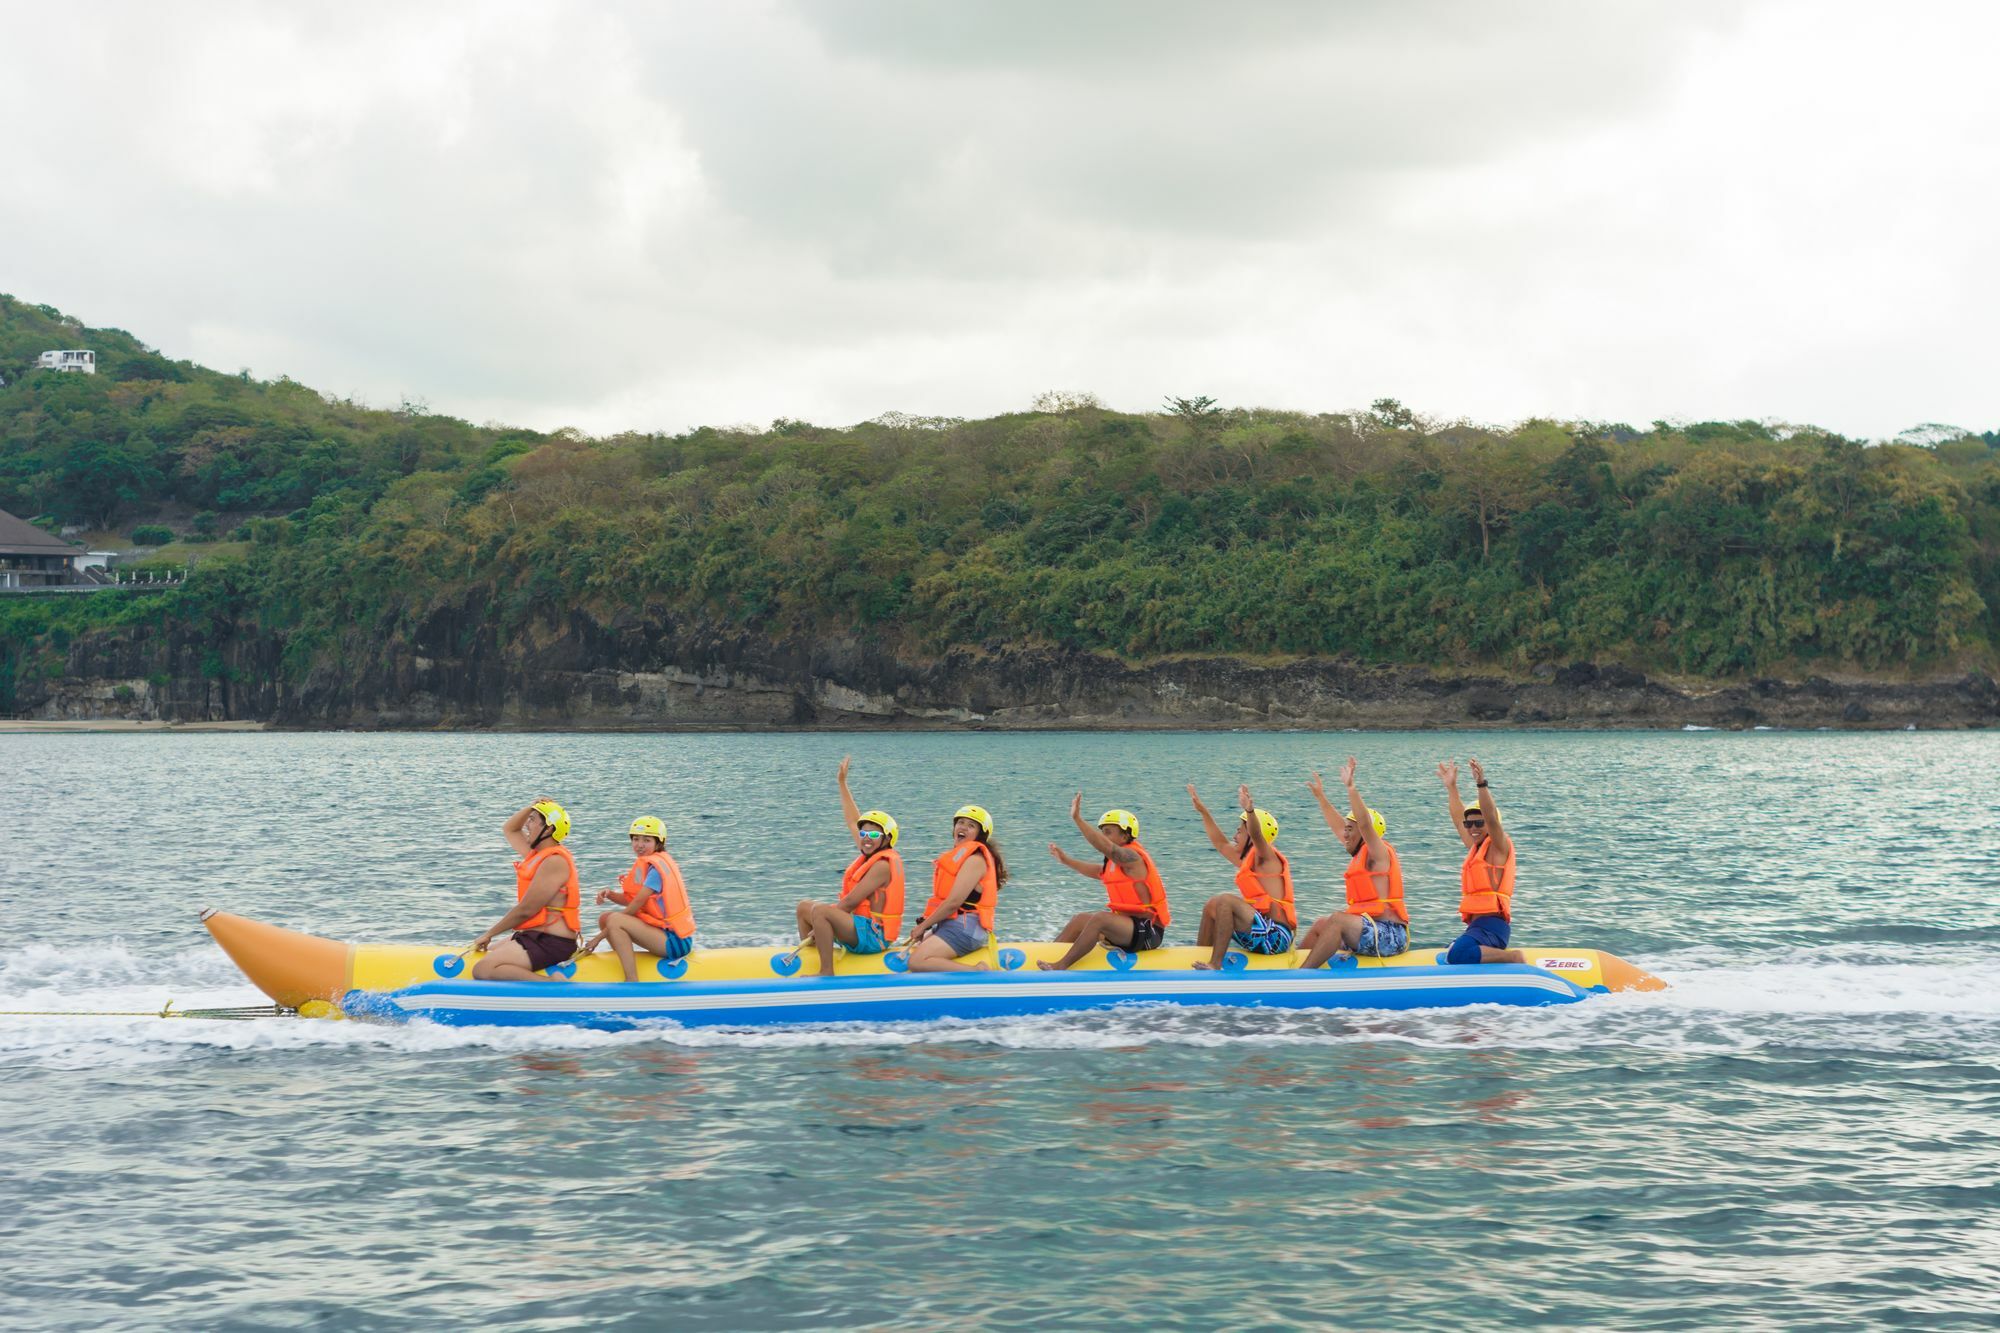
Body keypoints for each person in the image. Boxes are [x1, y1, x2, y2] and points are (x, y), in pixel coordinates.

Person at [791, 756, 906, 978]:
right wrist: (842, 783)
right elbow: (853, 821)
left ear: (887, 838)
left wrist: (822, 921)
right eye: (864, 833)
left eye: (874, 834)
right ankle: (814, 955)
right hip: (859, 928)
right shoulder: (869, 851)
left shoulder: (883, 865)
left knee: (822, 911)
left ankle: (826, 971)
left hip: (875, 935)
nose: (866, 837)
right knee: (804, 907)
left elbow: (851, 902)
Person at [1297, 757, 1409, 969]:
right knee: (1322, 923)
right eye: (1346, 829)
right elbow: (1340, 828)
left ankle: (1304, 974)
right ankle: (1290, 966)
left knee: (1338, 920)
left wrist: (1351, 788)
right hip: (1369, 929)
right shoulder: (1359, 851)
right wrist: (1321, 798)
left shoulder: (1379, 853)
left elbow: (1365, 825)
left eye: (1350, 828)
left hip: (1390, 935)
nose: (1345, 834)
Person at [1039, 795, 1171, 970]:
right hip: (1127, 928)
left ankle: (1061, 966)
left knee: (1100, 918)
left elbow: (1105, 847)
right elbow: (1096, 871)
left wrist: (1078, 819)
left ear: (1124, 836)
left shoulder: (1133, 858)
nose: (1103, 836)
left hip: (1148, 932)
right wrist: (1066, 860)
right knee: (1080, 919)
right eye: (1102, 832)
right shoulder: (1114, 864)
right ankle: (1048, 957)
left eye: (1108, 832)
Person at [469, 799, 581, 981]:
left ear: (549, 829)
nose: (527, 825)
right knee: (487, 953)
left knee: (483, 969)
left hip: (552, 942)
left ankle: (554, 984)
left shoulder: (554, 861)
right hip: (534, 937)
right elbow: (510, 829)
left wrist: (489, 933)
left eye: (532, 820)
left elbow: (527, 909)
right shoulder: (535, 854)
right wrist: (534, 805)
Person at [1190, 783, 1296, 969]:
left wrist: (1250, 810)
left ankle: (1215, 964)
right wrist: (1204, 812)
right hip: (1261, 931)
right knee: (1212, 906)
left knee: (1226, 901)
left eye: (1240, 831)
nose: (1234, 835)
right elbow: (1221, 844)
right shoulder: (1249, 859)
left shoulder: (1267, 858)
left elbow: (1256, 833)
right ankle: (1200, 954)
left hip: (1276, 936)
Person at [580, 815, 696, 983]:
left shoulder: (656, 870)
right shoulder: (649, 865)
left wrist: (597, 939)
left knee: (614, 919)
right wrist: (610, 894)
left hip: (675, 942)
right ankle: (621, 961)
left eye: (646, 840)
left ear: (658, 843)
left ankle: (631, 979)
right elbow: (633, 901)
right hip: (663, 934)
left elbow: (634, 908)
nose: (639, 845)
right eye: (635, 839)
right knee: (605, 918)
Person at [1440, 757, 1526, 964]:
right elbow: (1458, 818)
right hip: (1477, 926)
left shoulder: (1499, 846)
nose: (1472, 828)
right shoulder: (1476, 847)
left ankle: (1513, 958)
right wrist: (1451, 788)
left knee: (1457, 955)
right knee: (1448, 952)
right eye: (1469, 825)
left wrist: (1481, 784)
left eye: (1479, 823)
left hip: (1493, 926)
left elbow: (1491, 818)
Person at [905, 804, 1007, 972]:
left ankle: (977, 971)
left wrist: (923, 927)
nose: (963, 827)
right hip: (952, 924)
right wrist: (926, 924)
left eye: (971, 825)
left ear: (980, 835)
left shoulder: (975, 861)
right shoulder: (962, 858)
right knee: (918, 951)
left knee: (916, 962)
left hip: (966, 929)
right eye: (960, 822)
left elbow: (953, 903)